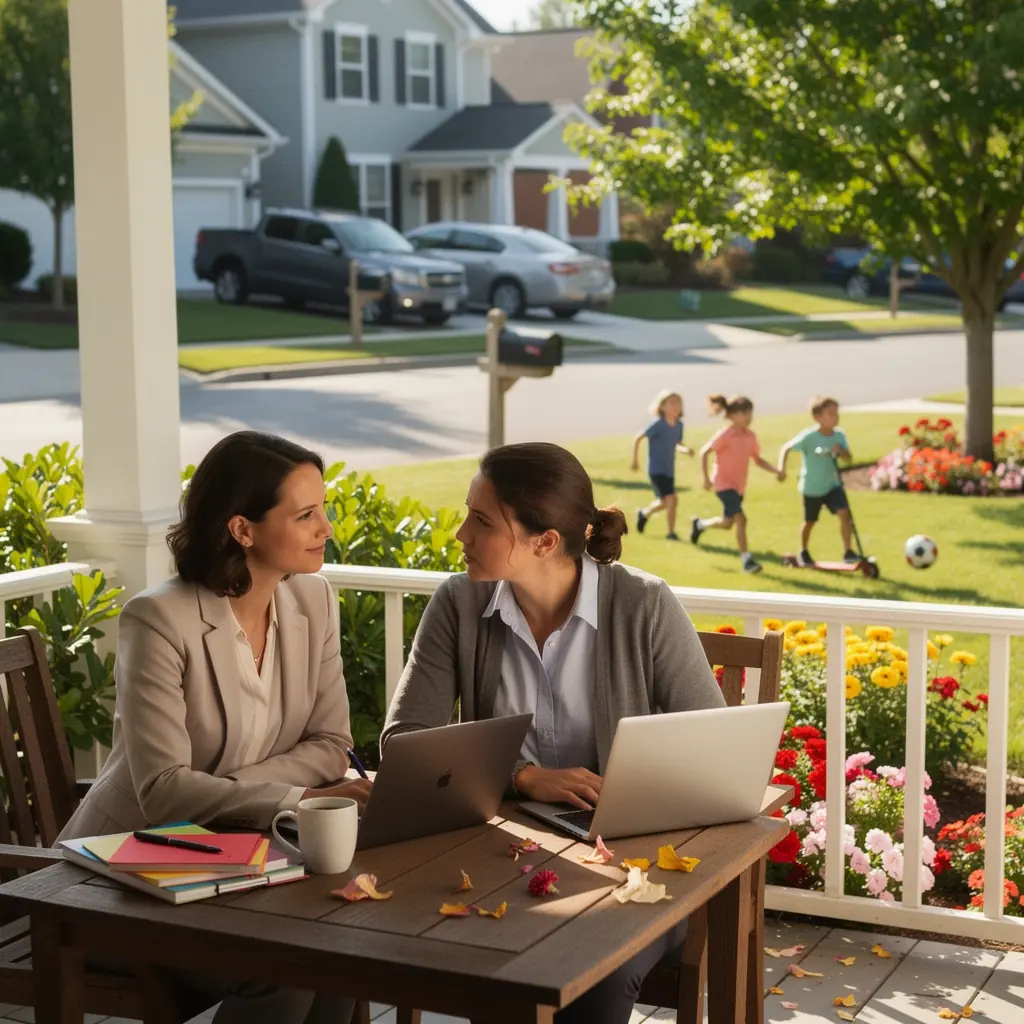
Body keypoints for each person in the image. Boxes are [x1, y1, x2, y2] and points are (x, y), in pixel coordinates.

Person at [382, 441, 725, 1024]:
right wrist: (522, 777)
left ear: (544, 542)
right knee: (494, 968)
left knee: (596, 973)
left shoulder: (643, 604)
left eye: (481, 521)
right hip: (495, 861)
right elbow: (404, 742)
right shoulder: (458, 603)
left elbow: (712, 745)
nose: (461, 534)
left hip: (631, 872)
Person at [59, 430, 368, 1024]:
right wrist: (298, 798)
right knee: (291, 970)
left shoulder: (314, 600)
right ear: (242, 529)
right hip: (122, 873)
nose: (326, 528)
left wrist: (226, 787)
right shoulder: (158, 619)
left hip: (240, 860)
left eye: (323, 509)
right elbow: (163, 793)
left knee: (339, 953)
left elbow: (332, 745)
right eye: (306, 515)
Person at [690, 394, 782, 574]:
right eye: (746, 414)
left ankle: (699, 525)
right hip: (723, 485)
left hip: (739, 487)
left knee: (728, 523)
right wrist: (706, 478)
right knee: (741, 519)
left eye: (750, 413)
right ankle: (747, 560)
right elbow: (705, 452)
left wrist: (776, 471)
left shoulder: (750, 436)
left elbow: (757, 459)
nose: (750, 417)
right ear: (733, 415)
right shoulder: (725, 435)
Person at [777, 396, 856, 566]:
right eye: (831, 414)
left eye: (837, 413)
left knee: (844, 514)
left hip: (832, 485)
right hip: (812, 488)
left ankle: (848, 551)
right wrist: (781, 469)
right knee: (810, 521)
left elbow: (848, 458)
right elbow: (787, 447)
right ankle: (803, 550)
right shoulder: (809, 437)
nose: (835, 417)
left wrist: (840, 451)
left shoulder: (839, 435)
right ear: (817, 417)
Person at [631, 389, 694, 540]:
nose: (676, 406)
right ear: (662, 407)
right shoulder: (658, 424)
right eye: (672, 403)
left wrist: (685, 450)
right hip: (656, 470)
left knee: (665, 502)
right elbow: (639, 437)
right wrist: (635, 460)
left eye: (678, 403)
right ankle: (671, 533)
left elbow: (677, 444)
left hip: (669, 470)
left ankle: (644, 513)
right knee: (672, 499)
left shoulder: (679, 425)